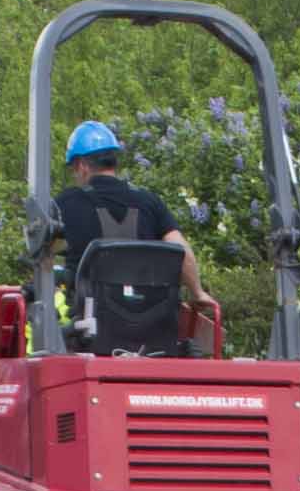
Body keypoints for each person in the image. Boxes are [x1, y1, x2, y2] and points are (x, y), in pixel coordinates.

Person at [51, 118, 208, 343]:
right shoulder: (150, 202)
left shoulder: (65, 204)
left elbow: (45, 254)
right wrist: (198, 293)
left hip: (91, 333)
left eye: (74, 171)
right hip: (154, 333)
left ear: (82, 166)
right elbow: (180, 250)